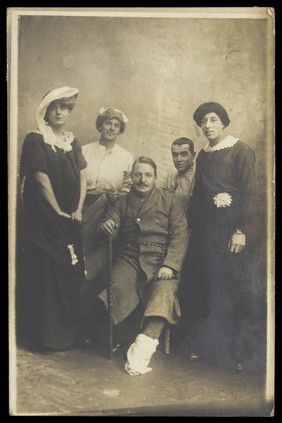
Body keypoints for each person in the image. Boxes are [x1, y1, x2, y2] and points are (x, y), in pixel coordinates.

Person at [88, 156, 188, 375]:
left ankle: (143, 348)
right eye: (138, 175)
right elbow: (105, 232)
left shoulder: (170, 200)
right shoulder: (121, 202)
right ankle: (123, 336)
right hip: (130, 258)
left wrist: (170, 265)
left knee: (163, 292)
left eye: (148, 175)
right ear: (131, 177)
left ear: (155, 177)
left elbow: (180, 237)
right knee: (117, 285)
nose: (143, 180)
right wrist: (107, 228)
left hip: (161, 261)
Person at [184, 102, 256, 371]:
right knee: (206, 288)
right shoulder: (203, 155)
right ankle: (210, 349)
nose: (208, 125)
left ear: (223, 122)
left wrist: (241, 230)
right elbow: (198, 195)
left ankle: (236, 353)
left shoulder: (240, 150)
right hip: (205, 230)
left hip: (230, 230)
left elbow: (251, 194)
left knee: (228, 288)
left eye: (213, 120)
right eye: (203, 121)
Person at [19, 86, 87, 351]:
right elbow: (39, 176)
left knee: (68, 272)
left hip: (71, 217)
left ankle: (66, 335)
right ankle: (46, 337)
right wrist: (57, 210)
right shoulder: (35, 139)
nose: (60, 112)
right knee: (46, 272)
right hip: (45, 219)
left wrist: (78, 209)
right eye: (55, 107)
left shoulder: (72, 141)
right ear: (46, 110)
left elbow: (82, 176)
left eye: (66, 107)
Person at [81, 107, 134, 281]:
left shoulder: (126, 157)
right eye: (108, 123)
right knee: (79, 254)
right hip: (82, 208)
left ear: (120, 130)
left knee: (100, 262)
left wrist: (117, 194)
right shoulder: (84, 151)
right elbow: (74, 182)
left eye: (116, 125)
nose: (111, 128)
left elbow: (128, 189)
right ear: (100, 126)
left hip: (108, 211)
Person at [162, 137, 196, 210]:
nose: (178, 159)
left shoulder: (198, 178)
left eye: (183, 155)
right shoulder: (170, 177)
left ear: (193, 155)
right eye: (175, 155)